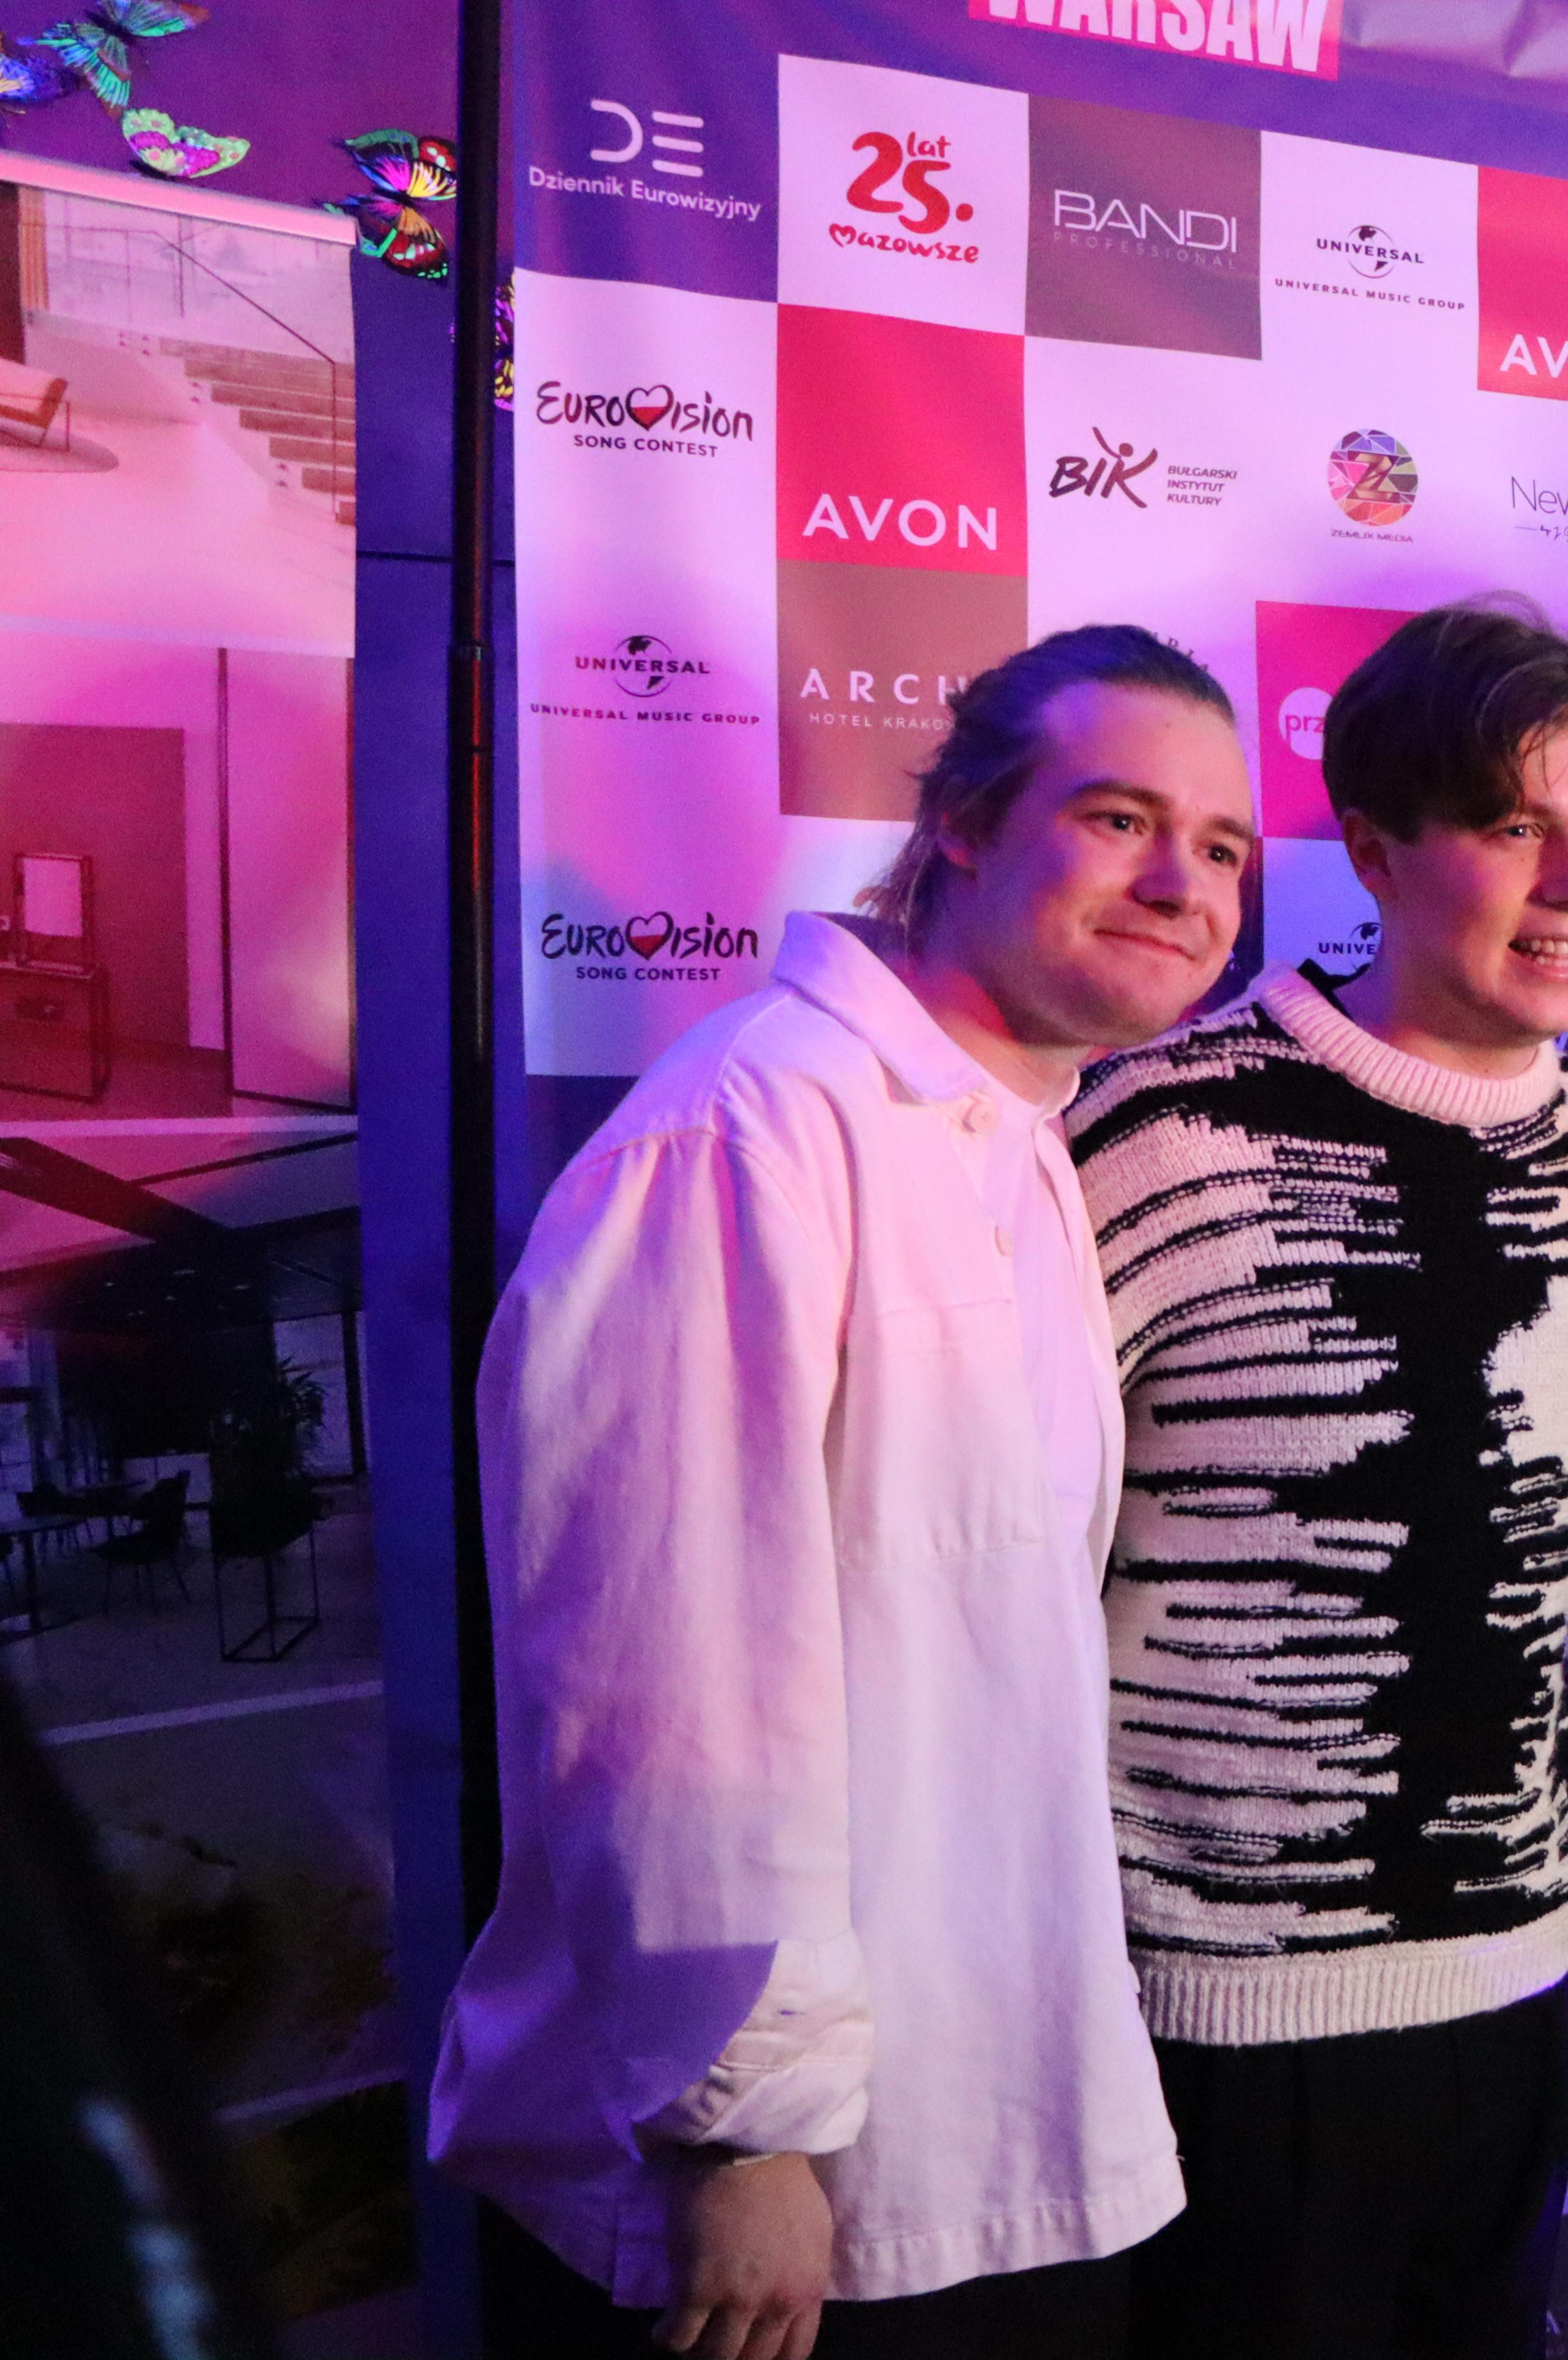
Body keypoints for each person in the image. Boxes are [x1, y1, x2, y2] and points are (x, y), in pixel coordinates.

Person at [431, 625, 1256, 2359]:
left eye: (1223, 846)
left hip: (974, 2134)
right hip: (771, 2201)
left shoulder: (1014, 1143)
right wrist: (741, 2129)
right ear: (961, 825)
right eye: (1119, 819)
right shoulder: (749, 1128)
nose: (1182, 884)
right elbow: (668, 1675)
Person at [1071, 602, 1568, 2360]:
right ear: (1378, 853)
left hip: (1521, 1986)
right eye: (1515, 826)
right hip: (1225, 2027)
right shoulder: (1155, 1135)